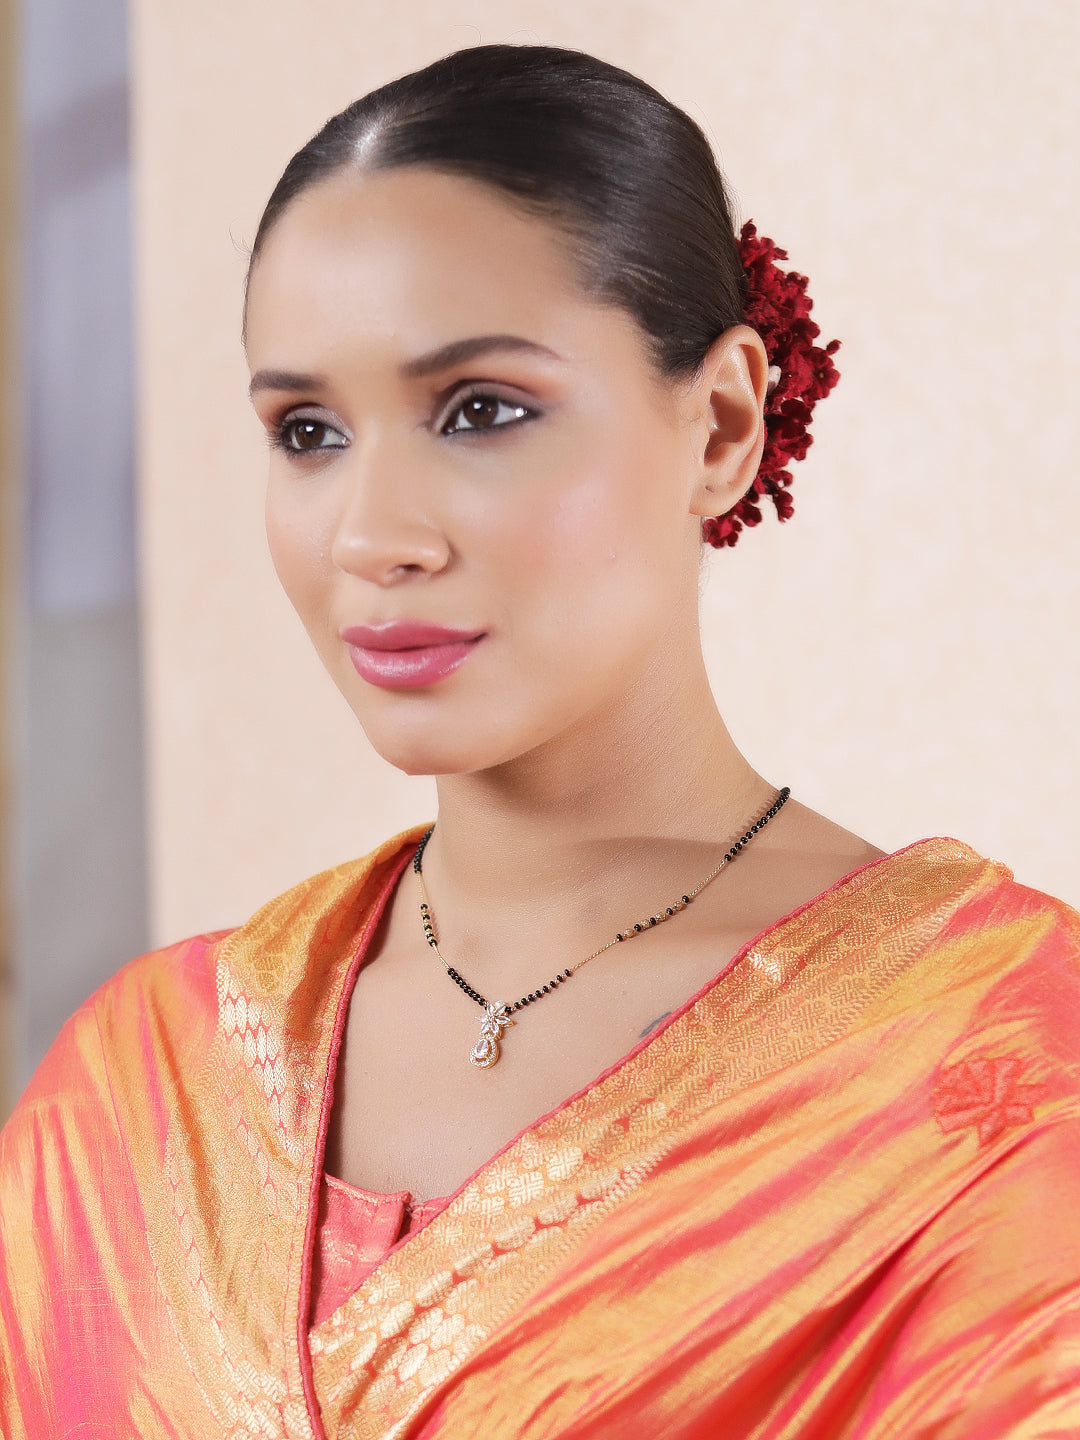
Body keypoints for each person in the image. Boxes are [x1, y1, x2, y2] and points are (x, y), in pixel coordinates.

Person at [1, 41, 1078, 1439]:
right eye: (308, 431)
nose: (372, 538)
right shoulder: (136, 1089)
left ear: (724, 426)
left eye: (482, 411)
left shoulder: (991, 1077)